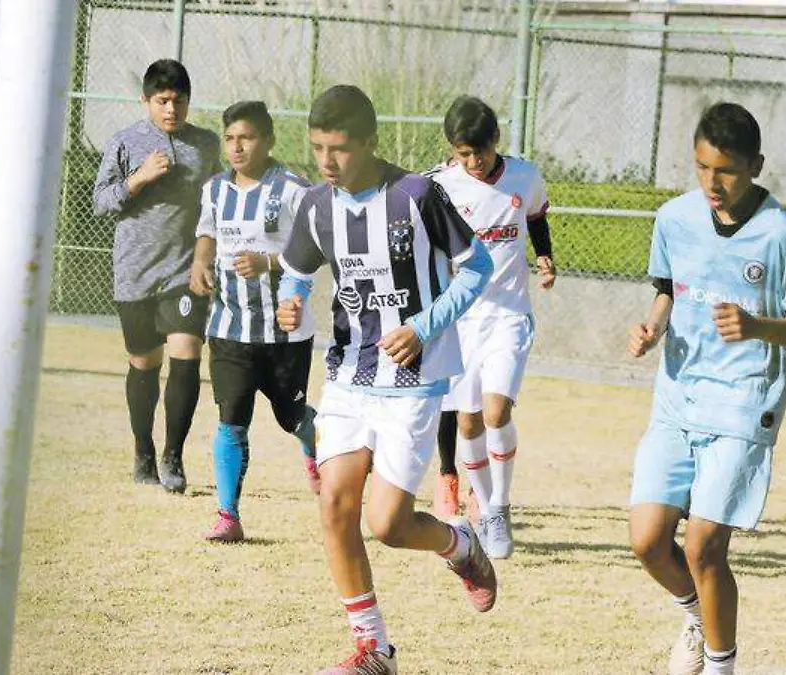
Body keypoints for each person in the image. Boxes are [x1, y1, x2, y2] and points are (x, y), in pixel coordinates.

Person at [276, 85, 497, 675]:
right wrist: (289, 301)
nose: (327, 161)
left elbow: (477, 268)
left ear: (370, 143)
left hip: (414, 382)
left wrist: (423, 327)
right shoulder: (316, 206)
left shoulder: (417, 195)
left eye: (339, 148)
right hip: (349, 376)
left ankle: (460, 546)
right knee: (334, 507)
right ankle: (374, 649)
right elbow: (295, 274)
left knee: (389, 526)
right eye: (318, 148)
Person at [627, 102, 786, 675]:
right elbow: (668, 288)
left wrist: (757, 326)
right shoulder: (674, 218)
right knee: (647, 541)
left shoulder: (778, 233)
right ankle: (697, 617)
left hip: (743, 402)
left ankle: (720, 665)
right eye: (702, 167)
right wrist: (653, 326)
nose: (712, 183)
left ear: (755, 166)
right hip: (678, 397)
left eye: (727, 171)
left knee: (704, 545)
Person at [188, 100, 320, 543]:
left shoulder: (295, 190)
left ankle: (315, 446)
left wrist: (268, 262)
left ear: (267, 140)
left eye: (246, 138)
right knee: (231, 419)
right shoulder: (214, 190)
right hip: (229, 327)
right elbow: (206, 234)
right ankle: (228, 516)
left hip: (285, 331)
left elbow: (315, 251)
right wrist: (200, 262)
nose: (237, 147)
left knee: (291, 417)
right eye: (230, 139)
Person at [429, 96, 555, 558]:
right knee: (466, 421)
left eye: (479, 152)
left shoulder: (525, 176)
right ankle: (482, 505)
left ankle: (499, 506)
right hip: (461, 321)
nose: (473, 162)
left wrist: (545, 255)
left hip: (508, 315)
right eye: (462, 154)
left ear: (495, 140)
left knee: (496, 411)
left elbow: (536, 217)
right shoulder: (439, 185)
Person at [92, 59, 220, 493]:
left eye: (179, 101)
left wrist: (206, 256)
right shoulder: (125, 142)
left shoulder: (205, 144)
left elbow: (217, 203)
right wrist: (139, 178)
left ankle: (173, 457)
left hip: (184, 271)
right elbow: (100, 202)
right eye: (162, 101)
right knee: (144, 364)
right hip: (135, 273)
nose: (171, 109)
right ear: (146, 100)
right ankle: (143, 451)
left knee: (187, 353)